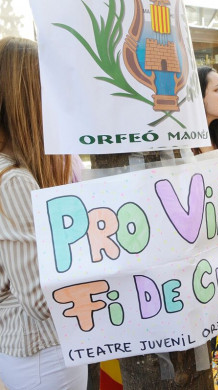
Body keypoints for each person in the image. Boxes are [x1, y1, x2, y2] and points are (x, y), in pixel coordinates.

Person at [0, 37, 87, 389]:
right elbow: (42, 297)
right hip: (44, 351)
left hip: (34, 351)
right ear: (29, 98)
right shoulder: (14, 181)